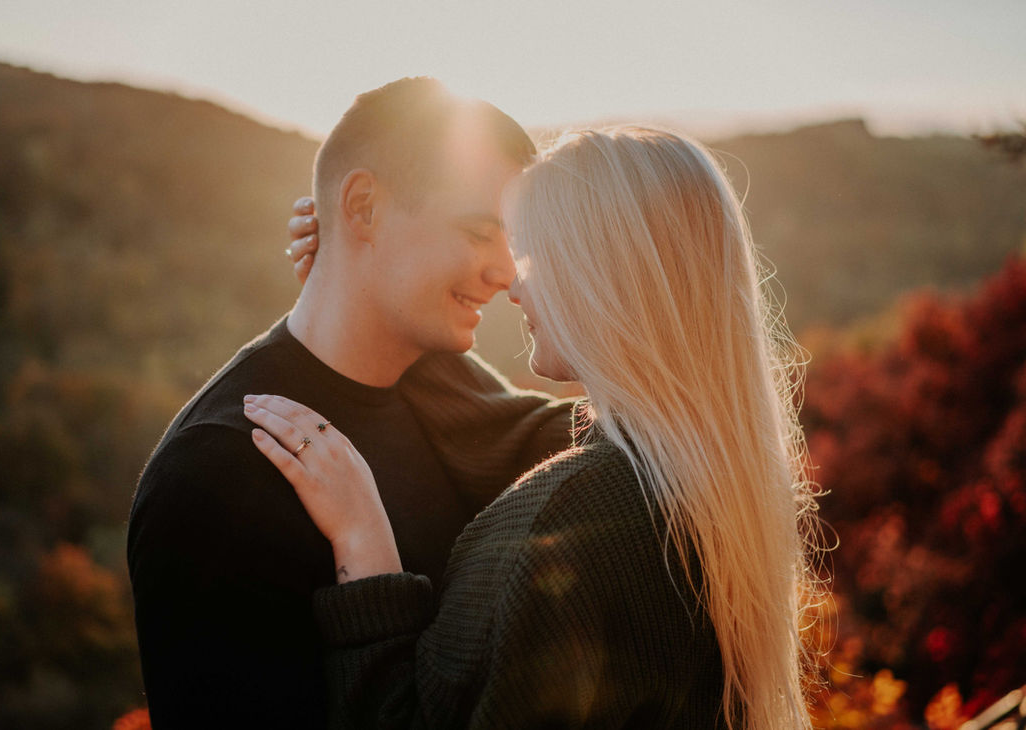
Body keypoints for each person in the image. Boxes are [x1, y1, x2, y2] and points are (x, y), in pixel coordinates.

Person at [251, 127, 824, 729]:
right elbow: (509, 425)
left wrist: (364, 542)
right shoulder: (703, 479)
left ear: (602, 273)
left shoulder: (568, 519)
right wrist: (369, 298)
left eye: (533, 256)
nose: (513, 286)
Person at [127, 78, 574, 728]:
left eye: (512, 241)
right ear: (362, 206)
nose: (505, 272)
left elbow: (589, 447)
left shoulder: (449, 397)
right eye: (479, 233)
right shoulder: (217, 474)